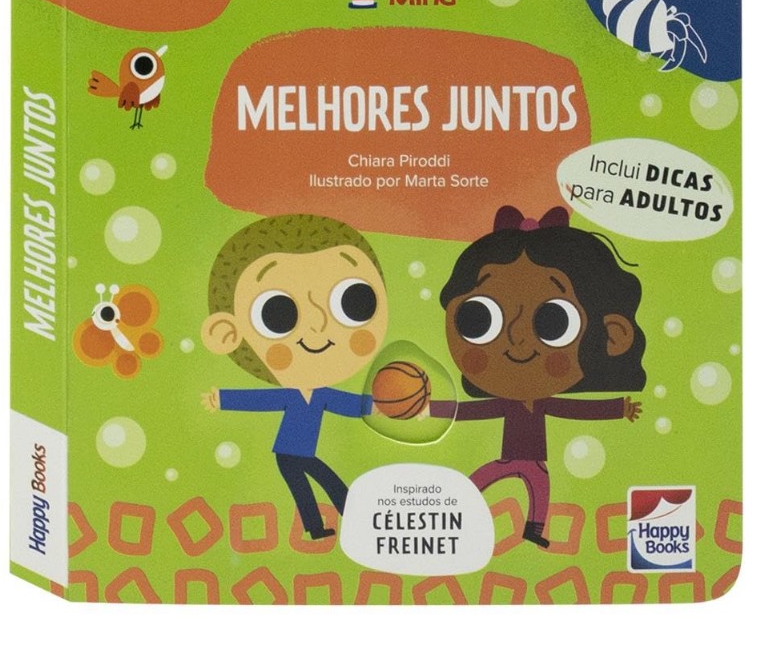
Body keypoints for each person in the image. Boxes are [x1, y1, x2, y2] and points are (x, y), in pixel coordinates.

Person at [430, 205, 645, 548]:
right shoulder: (507, 401)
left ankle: (533, 530)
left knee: (540, 488)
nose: (517, 339)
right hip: (509, 457)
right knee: (484, 477)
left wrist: (619, 408)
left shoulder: (543, 400)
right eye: (478, 319)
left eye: (553, 323)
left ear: (612, 336)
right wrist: (431, 408)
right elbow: (468, 411)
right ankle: (462, 506)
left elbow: (577, 410)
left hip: (534, 461)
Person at [201, 213, 388, 540]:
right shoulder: (289, 394)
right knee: (305, 488)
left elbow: (348, 404)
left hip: (303, 452)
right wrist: (222, 399)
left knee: (328, 480)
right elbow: (260, 400)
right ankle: (318, 527)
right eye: (277, 316)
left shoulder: (323, 394)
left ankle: (348, 517)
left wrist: (375, 406)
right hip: (287, 454)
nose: (317, 327)